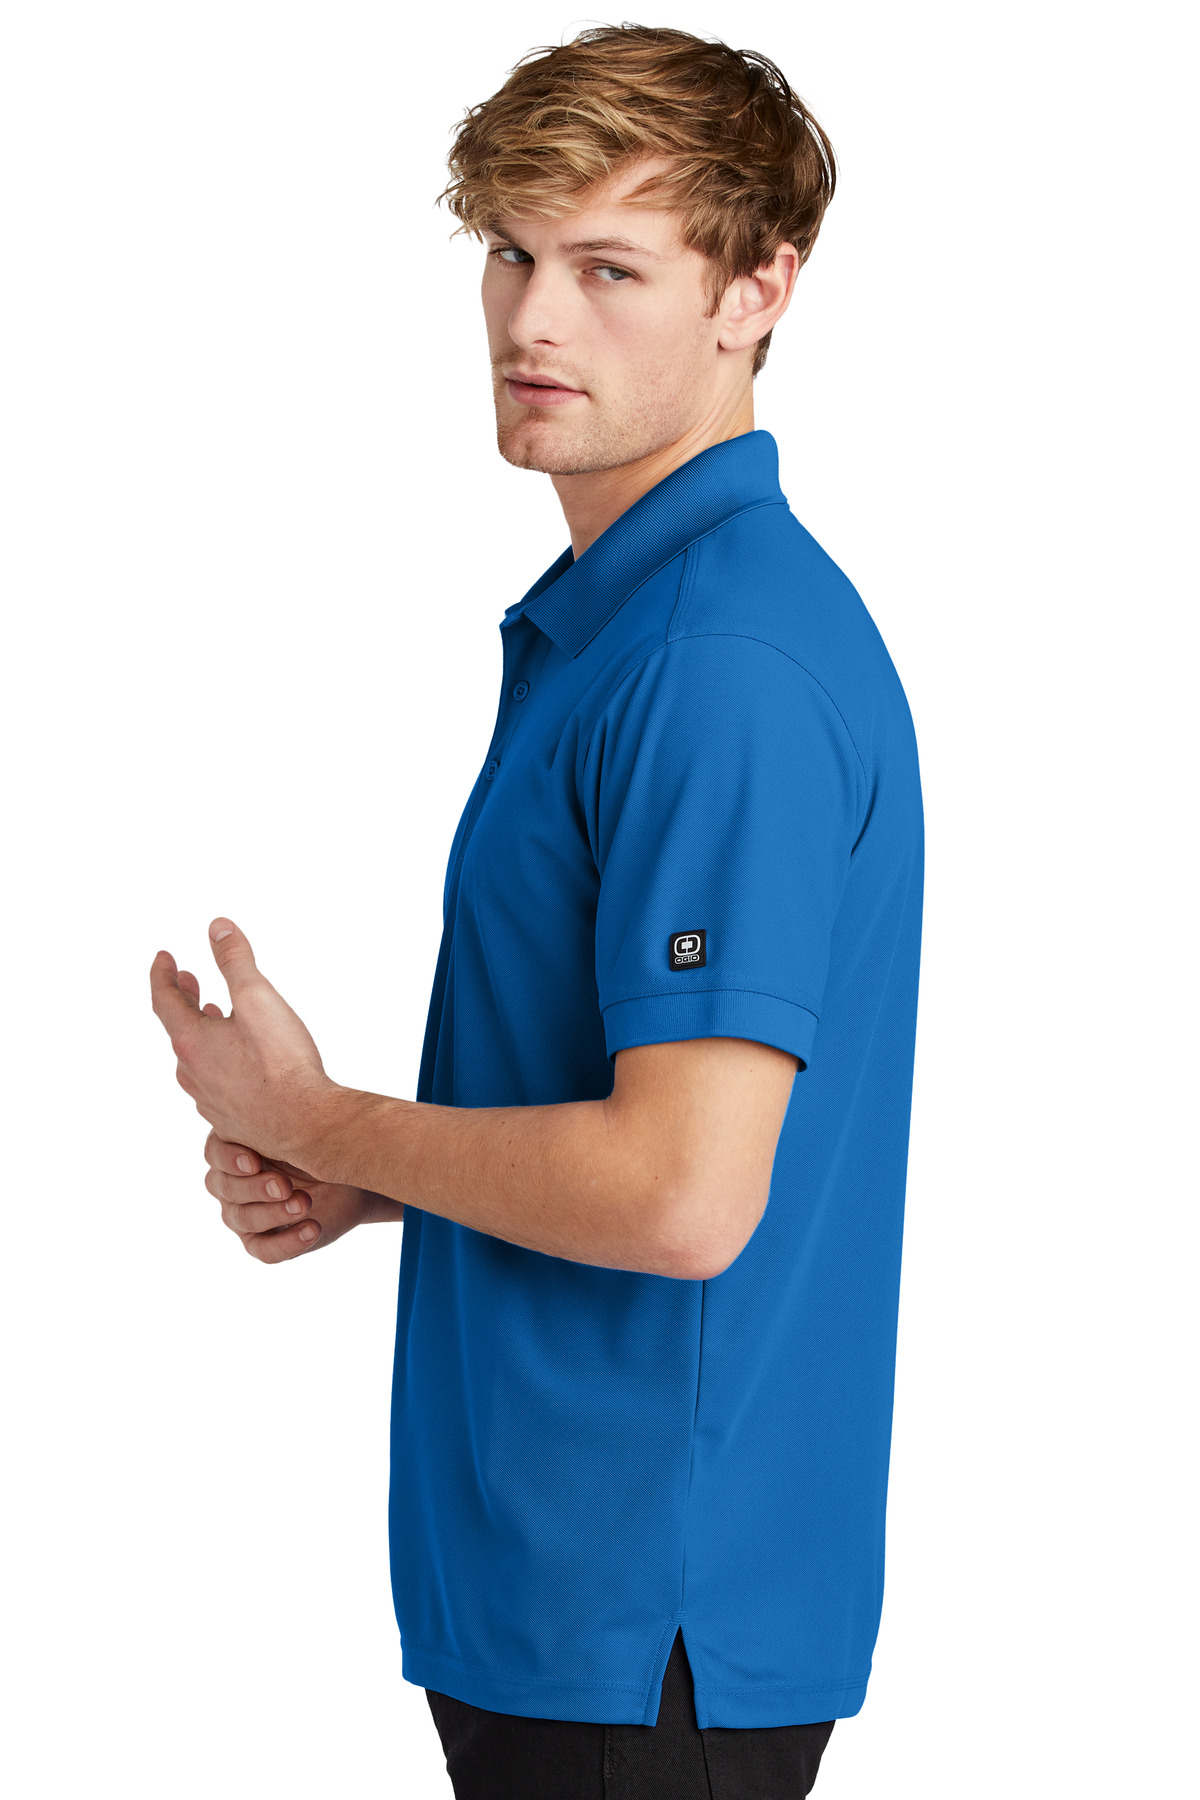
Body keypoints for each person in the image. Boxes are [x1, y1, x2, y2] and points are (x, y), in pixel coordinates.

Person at [150, 24, 923, 1799]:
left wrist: (321, 1120)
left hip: (643, 1626)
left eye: (609, 268)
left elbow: (684, 1193)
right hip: (570, 1606)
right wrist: (376, 1180)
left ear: (757, 290)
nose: (531, 321)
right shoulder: (627, 626)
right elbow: (643, 1129)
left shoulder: (718, 664)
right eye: (510, 252)